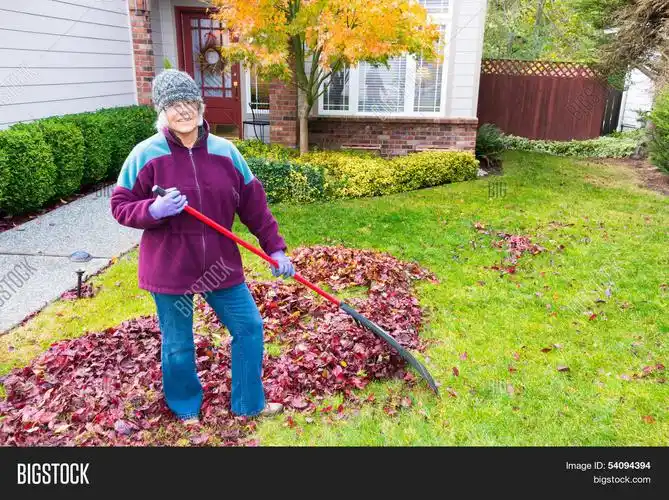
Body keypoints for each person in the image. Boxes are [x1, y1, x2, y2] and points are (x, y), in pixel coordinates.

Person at [110, 69, 295, 425]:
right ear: (162, 112)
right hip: (171, 267)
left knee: (249, 328)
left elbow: (254, 205)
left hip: (220, 264)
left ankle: (248, 403)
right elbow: (120, 205)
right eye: (173, 105)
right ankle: (185, 408)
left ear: (200, 105)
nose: (183, 111)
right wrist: (152, 209)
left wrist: (275, 249)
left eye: (189, 102)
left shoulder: (226, 152)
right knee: (178, 344)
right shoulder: (146, 154)